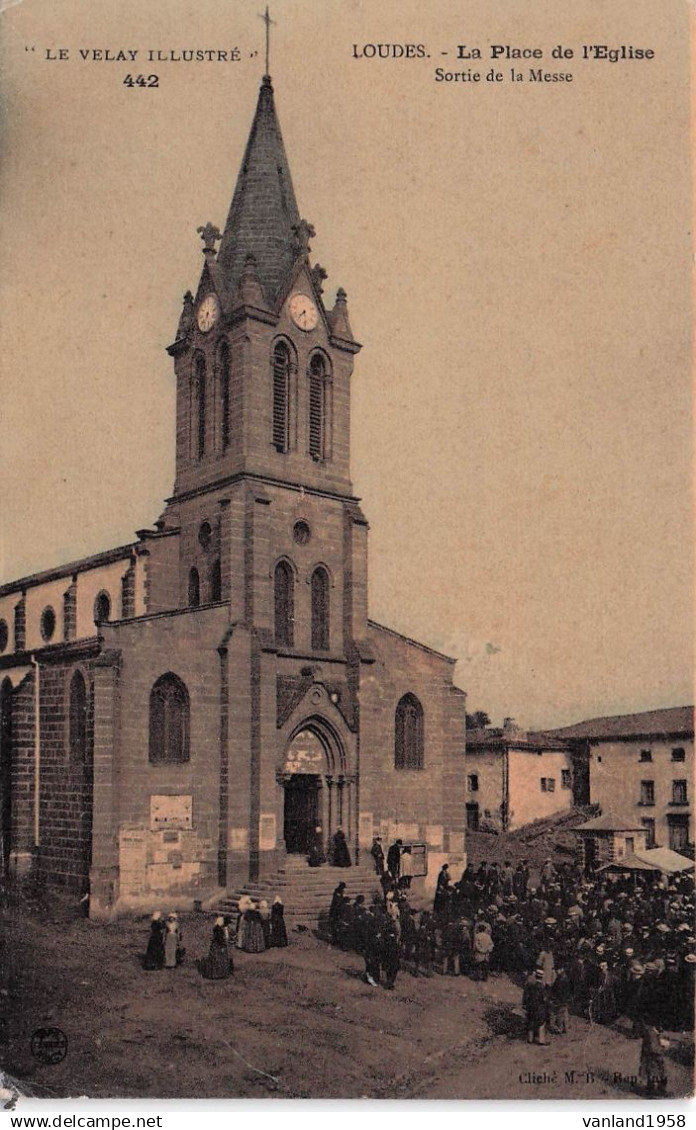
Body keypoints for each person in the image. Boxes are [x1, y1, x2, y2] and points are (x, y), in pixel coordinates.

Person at [637, 1018, 668, 1098]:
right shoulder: (650, 1032)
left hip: (657, 1056)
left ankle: (660, 1090)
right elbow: (652, 1047)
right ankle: (651, 1091)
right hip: (652, 1056)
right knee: (652, 1073)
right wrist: (661, 1049)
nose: (661, 1028)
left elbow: (663, 1044)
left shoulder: (658, 1033)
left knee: (662, 1073)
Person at [523, 968, 550, 1045]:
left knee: (531, 1022)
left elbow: (527, 996)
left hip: (531, 1007)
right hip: (539, 1008)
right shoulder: (542, 987)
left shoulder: (531, 986)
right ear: (542, 977)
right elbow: (544, 999)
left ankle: (530, 1039)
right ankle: (541, 1040)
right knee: (541, 1023)